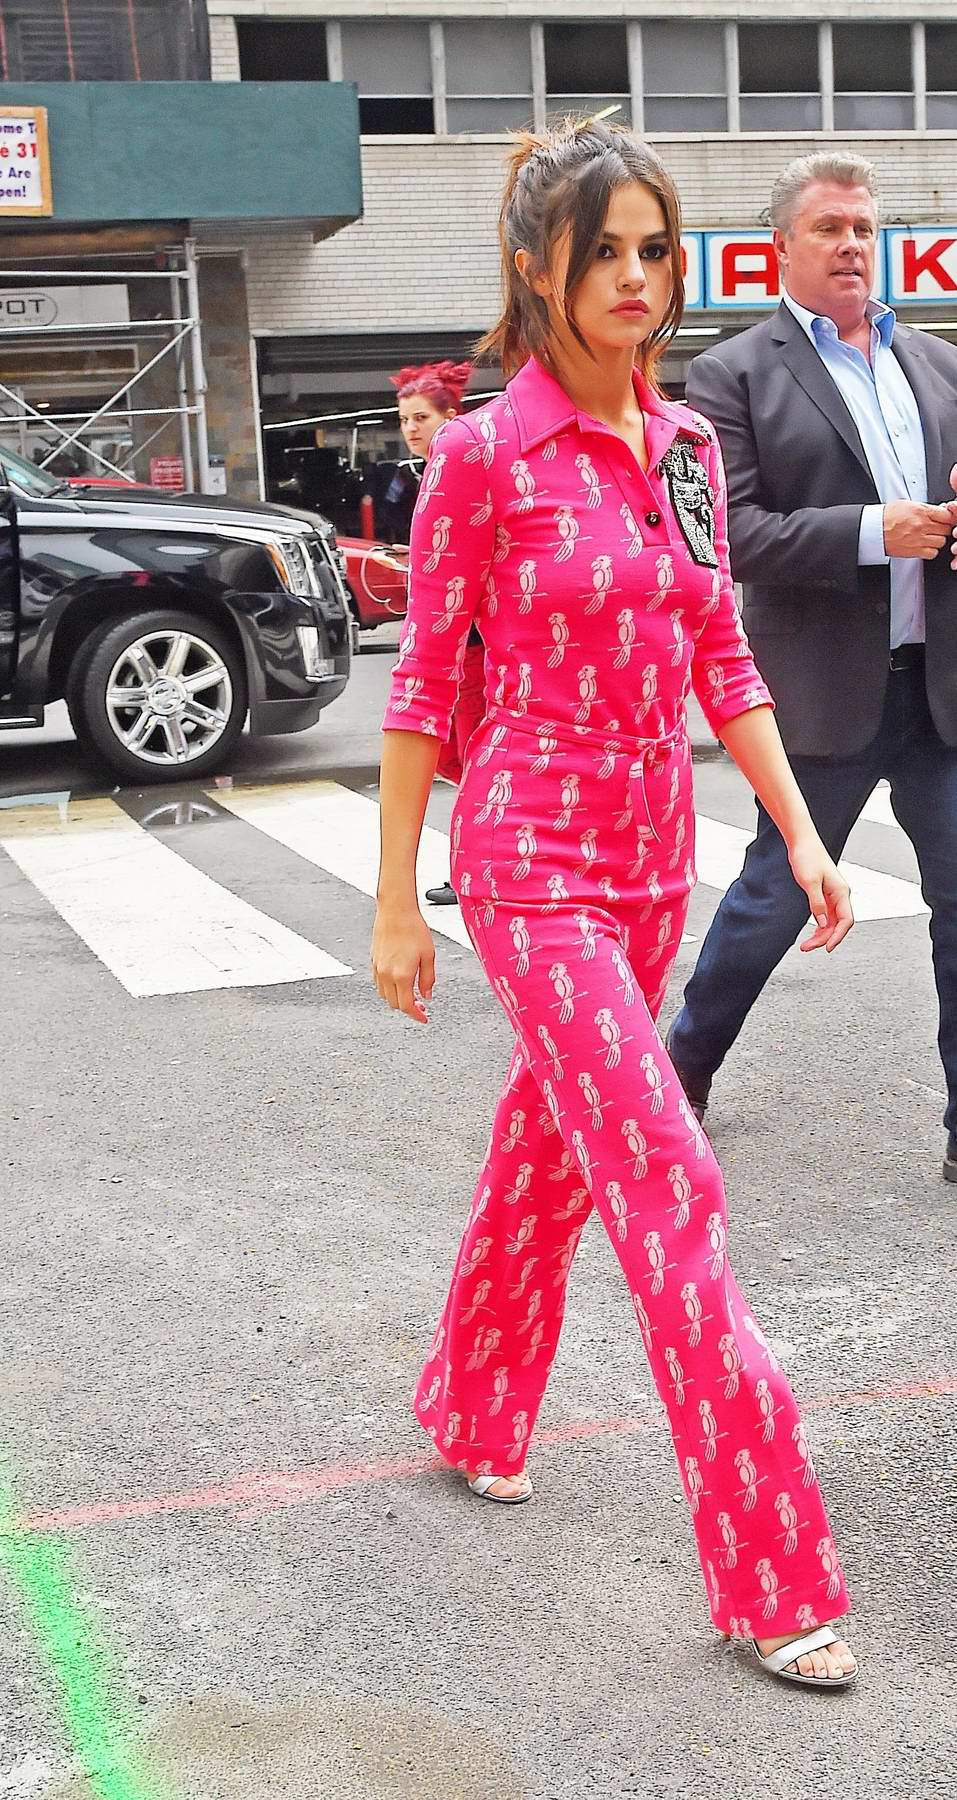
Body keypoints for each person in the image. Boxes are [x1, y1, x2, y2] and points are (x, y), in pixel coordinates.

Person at [372, 119, 860, 1690]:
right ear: (538, 266)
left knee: (550, 1149)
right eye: (605, 252)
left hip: (657, 861)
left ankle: (469, 1402)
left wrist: (797, 835)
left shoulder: (693, 454)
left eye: (658, 248)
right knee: (665, 1179)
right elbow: (418, 700)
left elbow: (725, 659)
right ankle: (772, 1571)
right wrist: (397, 905)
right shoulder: (480, 458)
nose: (638, 279)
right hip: (529, 863)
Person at [664, 151, 957, 1185]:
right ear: (779, 247)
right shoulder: (733, 375)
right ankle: (683, 1071)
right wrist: (878, 531)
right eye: (828, 227)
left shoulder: (942, 364)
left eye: (864, 227)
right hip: (820, 699)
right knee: (771, 902)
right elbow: (729, 535)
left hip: (944, 693)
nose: (852, 245)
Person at [387, 361, 484, 906]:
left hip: (475, 643)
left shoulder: (468, 465)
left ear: (451, 416)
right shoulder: (411, 475)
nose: (411, 428)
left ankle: (470, 864)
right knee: (452, 753)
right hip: (439, 639)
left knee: (470, 754)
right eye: (404, 419)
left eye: (421, 417)